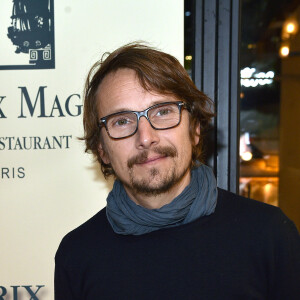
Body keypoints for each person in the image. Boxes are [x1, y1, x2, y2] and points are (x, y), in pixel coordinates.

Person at [55, 43, 300, 300]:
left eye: (162, 112)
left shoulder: (269, 235)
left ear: (194, 129)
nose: (146, 137)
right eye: (122, 121)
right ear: (102, 149)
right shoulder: (78, 255)